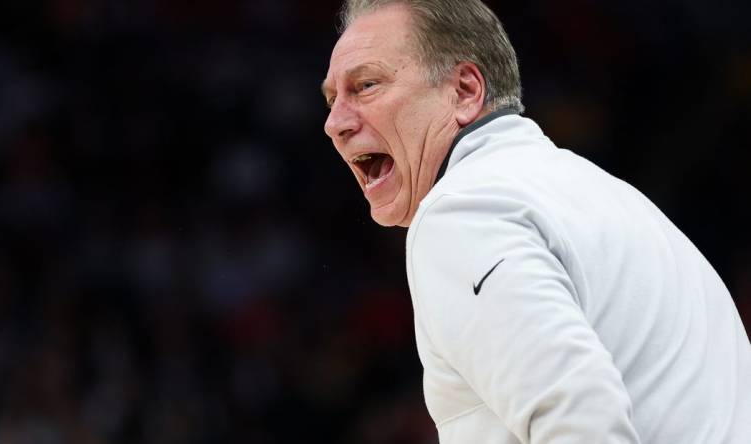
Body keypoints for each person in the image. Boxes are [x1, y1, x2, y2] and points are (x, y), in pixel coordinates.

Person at [321, 0, 751, 443]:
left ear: (465, 90)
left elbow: (579, 422)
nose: (334, 124)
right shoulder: (613, 198)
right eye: (332, 100)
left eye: (367, 85)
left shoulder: (462, 210)